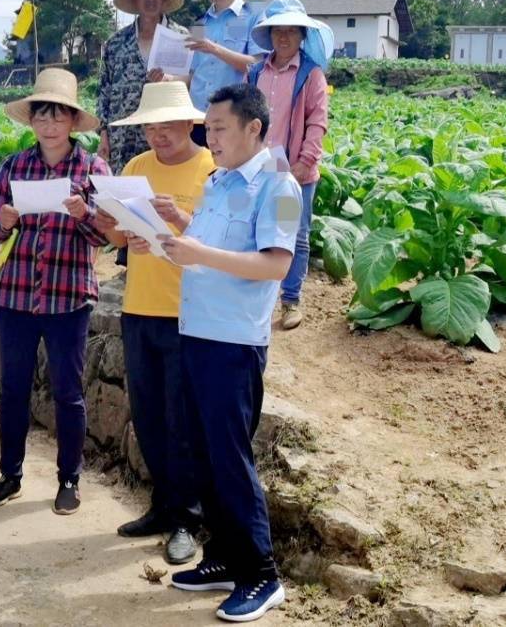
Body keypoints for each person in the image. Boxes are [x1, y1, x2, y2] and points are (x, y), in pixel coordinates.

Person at [146, 83, 301, 622]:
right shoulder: (219, 181)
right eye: (206, 129)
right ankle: (225, 559)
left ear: (253, 128)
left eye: (218, 129)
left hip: (233, 342)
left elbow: (274, 265)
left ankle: (261, 573)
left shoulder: (279, 186)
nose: (209, 138)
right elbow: (214, 248)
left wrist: (196, 249)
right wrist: (174, 229)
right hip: (197, 331)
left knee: (231, 459)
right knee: (203, 453)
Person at [0, 68, 111, 516]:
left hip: (69, 296)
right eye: (42, 117)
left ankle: (69, 477)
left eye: (59, 117)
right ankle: (9, 474)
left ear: (73, 122)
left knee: (68, 391)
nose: (50, 126)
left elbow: (106, 237)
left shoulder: (93, 169)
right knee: (12, 388)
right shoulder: (14, 166)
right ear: (31, 122)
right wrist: (5, 221)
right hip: (16, 296)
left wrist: (84, 214)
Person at [93, 81, 213, 565]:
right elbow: (113, 230)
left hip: (188, 311)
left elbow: (223, 241)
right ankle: (162, 507)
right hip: (139, 305)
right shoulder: (136, 168)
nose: (158, 134)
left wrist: (181, 218)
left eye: (167, 125)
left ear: (190, 124)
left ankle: (188, 518)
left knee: (182, 419)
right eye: (151, 126)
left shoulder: (212, 169)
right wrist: (122, 234)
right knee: (147, 416)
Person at [247, 0, 332, 331]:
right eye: (277, 31)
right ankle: (259, 298)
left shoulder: (311, 76)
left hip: (295, 171)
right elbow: (244, 118)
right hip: (261, 167)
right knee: (255, 230)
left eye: (291, 31)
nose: (283, 37)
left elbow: (317, 123)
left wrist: (301, 165)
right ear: (269, 35)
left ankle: (291, 301)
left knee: (294, 234)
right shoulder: (255, 72)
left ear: (301, 35)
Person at [159, 0, 262, 147]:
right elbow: (193, 73)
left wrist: (214, 48)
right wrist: (168, 79)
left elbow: (257, 67)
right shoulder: (199, 24)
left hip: (233, 121)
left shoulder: (252, 18)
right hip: (197, 120)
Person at [96, 0, 189, 175]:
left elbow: (192, 81)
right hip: (121, 136)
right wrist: (103, 133)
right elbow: (104, 91)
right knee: (123, 194)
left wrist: (171, 79)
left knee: (162, 191)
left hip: (163, 134)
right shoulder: (116, 42)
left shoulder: (180, 37)